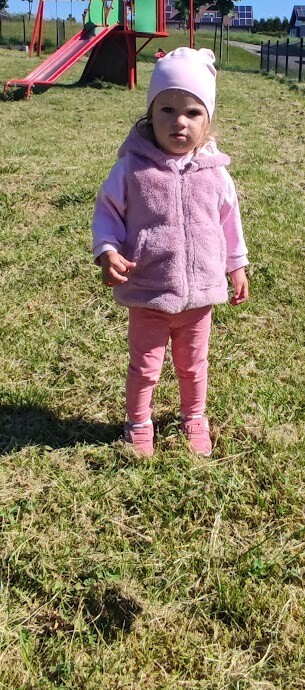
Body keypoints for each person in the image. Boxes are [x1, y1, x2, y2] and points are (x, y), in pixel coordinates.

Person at [92, 47, 248, 458]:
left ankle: (194, 417)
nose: (179, 121)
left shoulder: (216, 173)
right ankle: (137, 422)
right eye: (167, 110)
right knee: (145, 367)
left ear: (208, 121)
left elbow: (229, 221)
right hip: (149, 292)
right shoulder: (133, 169)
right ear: (150, 114)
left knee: (193, 365)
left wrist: (236, 264)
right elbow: (107, 210)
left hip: (200, 294)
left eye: (193, 113)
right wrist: (107, 249)